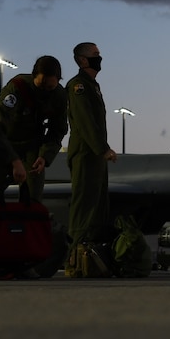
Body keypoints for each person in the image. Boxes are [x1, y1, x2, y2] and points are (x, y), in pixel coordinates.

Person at [0, 54, 66, 206]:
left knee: (33, 194)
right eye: (41, 86)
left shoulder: (59, 96)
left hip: (30, 142)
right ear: (34, 76)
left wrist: (45, 156)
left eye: (50, 87)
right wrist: (14, 160)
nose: (45, 91)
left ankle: (29, 225)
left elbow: (58, 130)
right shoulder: (17, 88)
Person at [64, 41, 116, 257]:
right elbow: (85, 121)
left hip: (94, 155)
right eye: (95, 54)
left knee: (96, 203)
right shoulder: (79, 86)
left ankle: (90, 254)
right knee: (84, 203)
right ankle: (75, 252)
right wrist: (102, 148)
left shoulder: (93, 85)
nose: (99, 58)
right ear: (83, 60)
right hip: (86, 153)